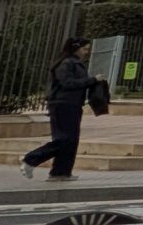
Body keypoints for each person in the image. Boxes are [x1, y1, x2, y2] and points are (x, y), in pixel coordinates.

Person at [22, 38, 98, 181]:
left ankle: (60, 172)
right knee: (65, 139)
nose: (86, 52)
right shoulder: (66, 63)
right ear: (76, 48)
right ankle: (31, 159)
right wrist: (92, 80)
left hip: (73, 104)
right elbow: (67, 83)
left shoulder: (75, 63)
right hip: (63, 104)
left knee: (71, 140)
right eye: (84, 49)